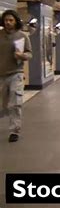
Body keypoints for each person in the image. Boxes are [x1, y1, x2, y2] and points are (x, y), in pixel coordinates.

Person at [0, 10, 33, 142]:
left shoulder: (22, 36)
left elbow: (29, 54)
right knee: (5, 104)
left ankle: (15, 130)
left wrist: (22, 55)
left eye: (11, 20)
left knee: (15, 103)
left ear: (15, 21)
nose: (8, 22)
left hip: (16, 73)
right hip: (1, 74)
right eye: (6, 20)